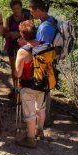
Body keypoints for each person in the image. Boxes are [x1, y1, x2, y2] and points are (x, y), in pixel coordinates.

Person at [14, 20, 45, 148]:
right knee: (40, 108)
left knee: (30, 113)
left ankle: (30, 139)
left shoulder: (23, 51)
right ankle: (40, 131)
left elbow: (17, 73)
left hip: (27, 86)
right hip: (42, 83)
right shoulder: (44, 45)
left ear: (22, 34)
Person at [29, 0, 56, 126]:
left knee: (42, 91)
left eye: (32, 11)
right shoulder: (51, 21)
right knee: (45, 90)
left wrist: (26, 43)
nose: (31, 14)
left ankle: (42, 121)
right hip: (49, 62)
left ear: (38, 10)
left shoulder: (45, 27)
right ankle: (44, 118)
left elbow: (41, 48)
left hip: (44, 64)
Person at [3, 0, 31, 98]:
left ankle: (24, 88)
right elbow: (4, 34)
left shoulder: (27, 17)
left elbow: (31, 31)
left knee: (25, 67)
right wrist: (9, 34)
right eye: (14, 8)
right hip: (12, 45)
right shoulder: (9, 19)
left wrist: (18, 33)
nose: (16, 10)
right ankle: (15, 89)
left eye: (18, 8)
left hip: (25, 46)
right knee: (14, 68)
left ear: (21, 7)